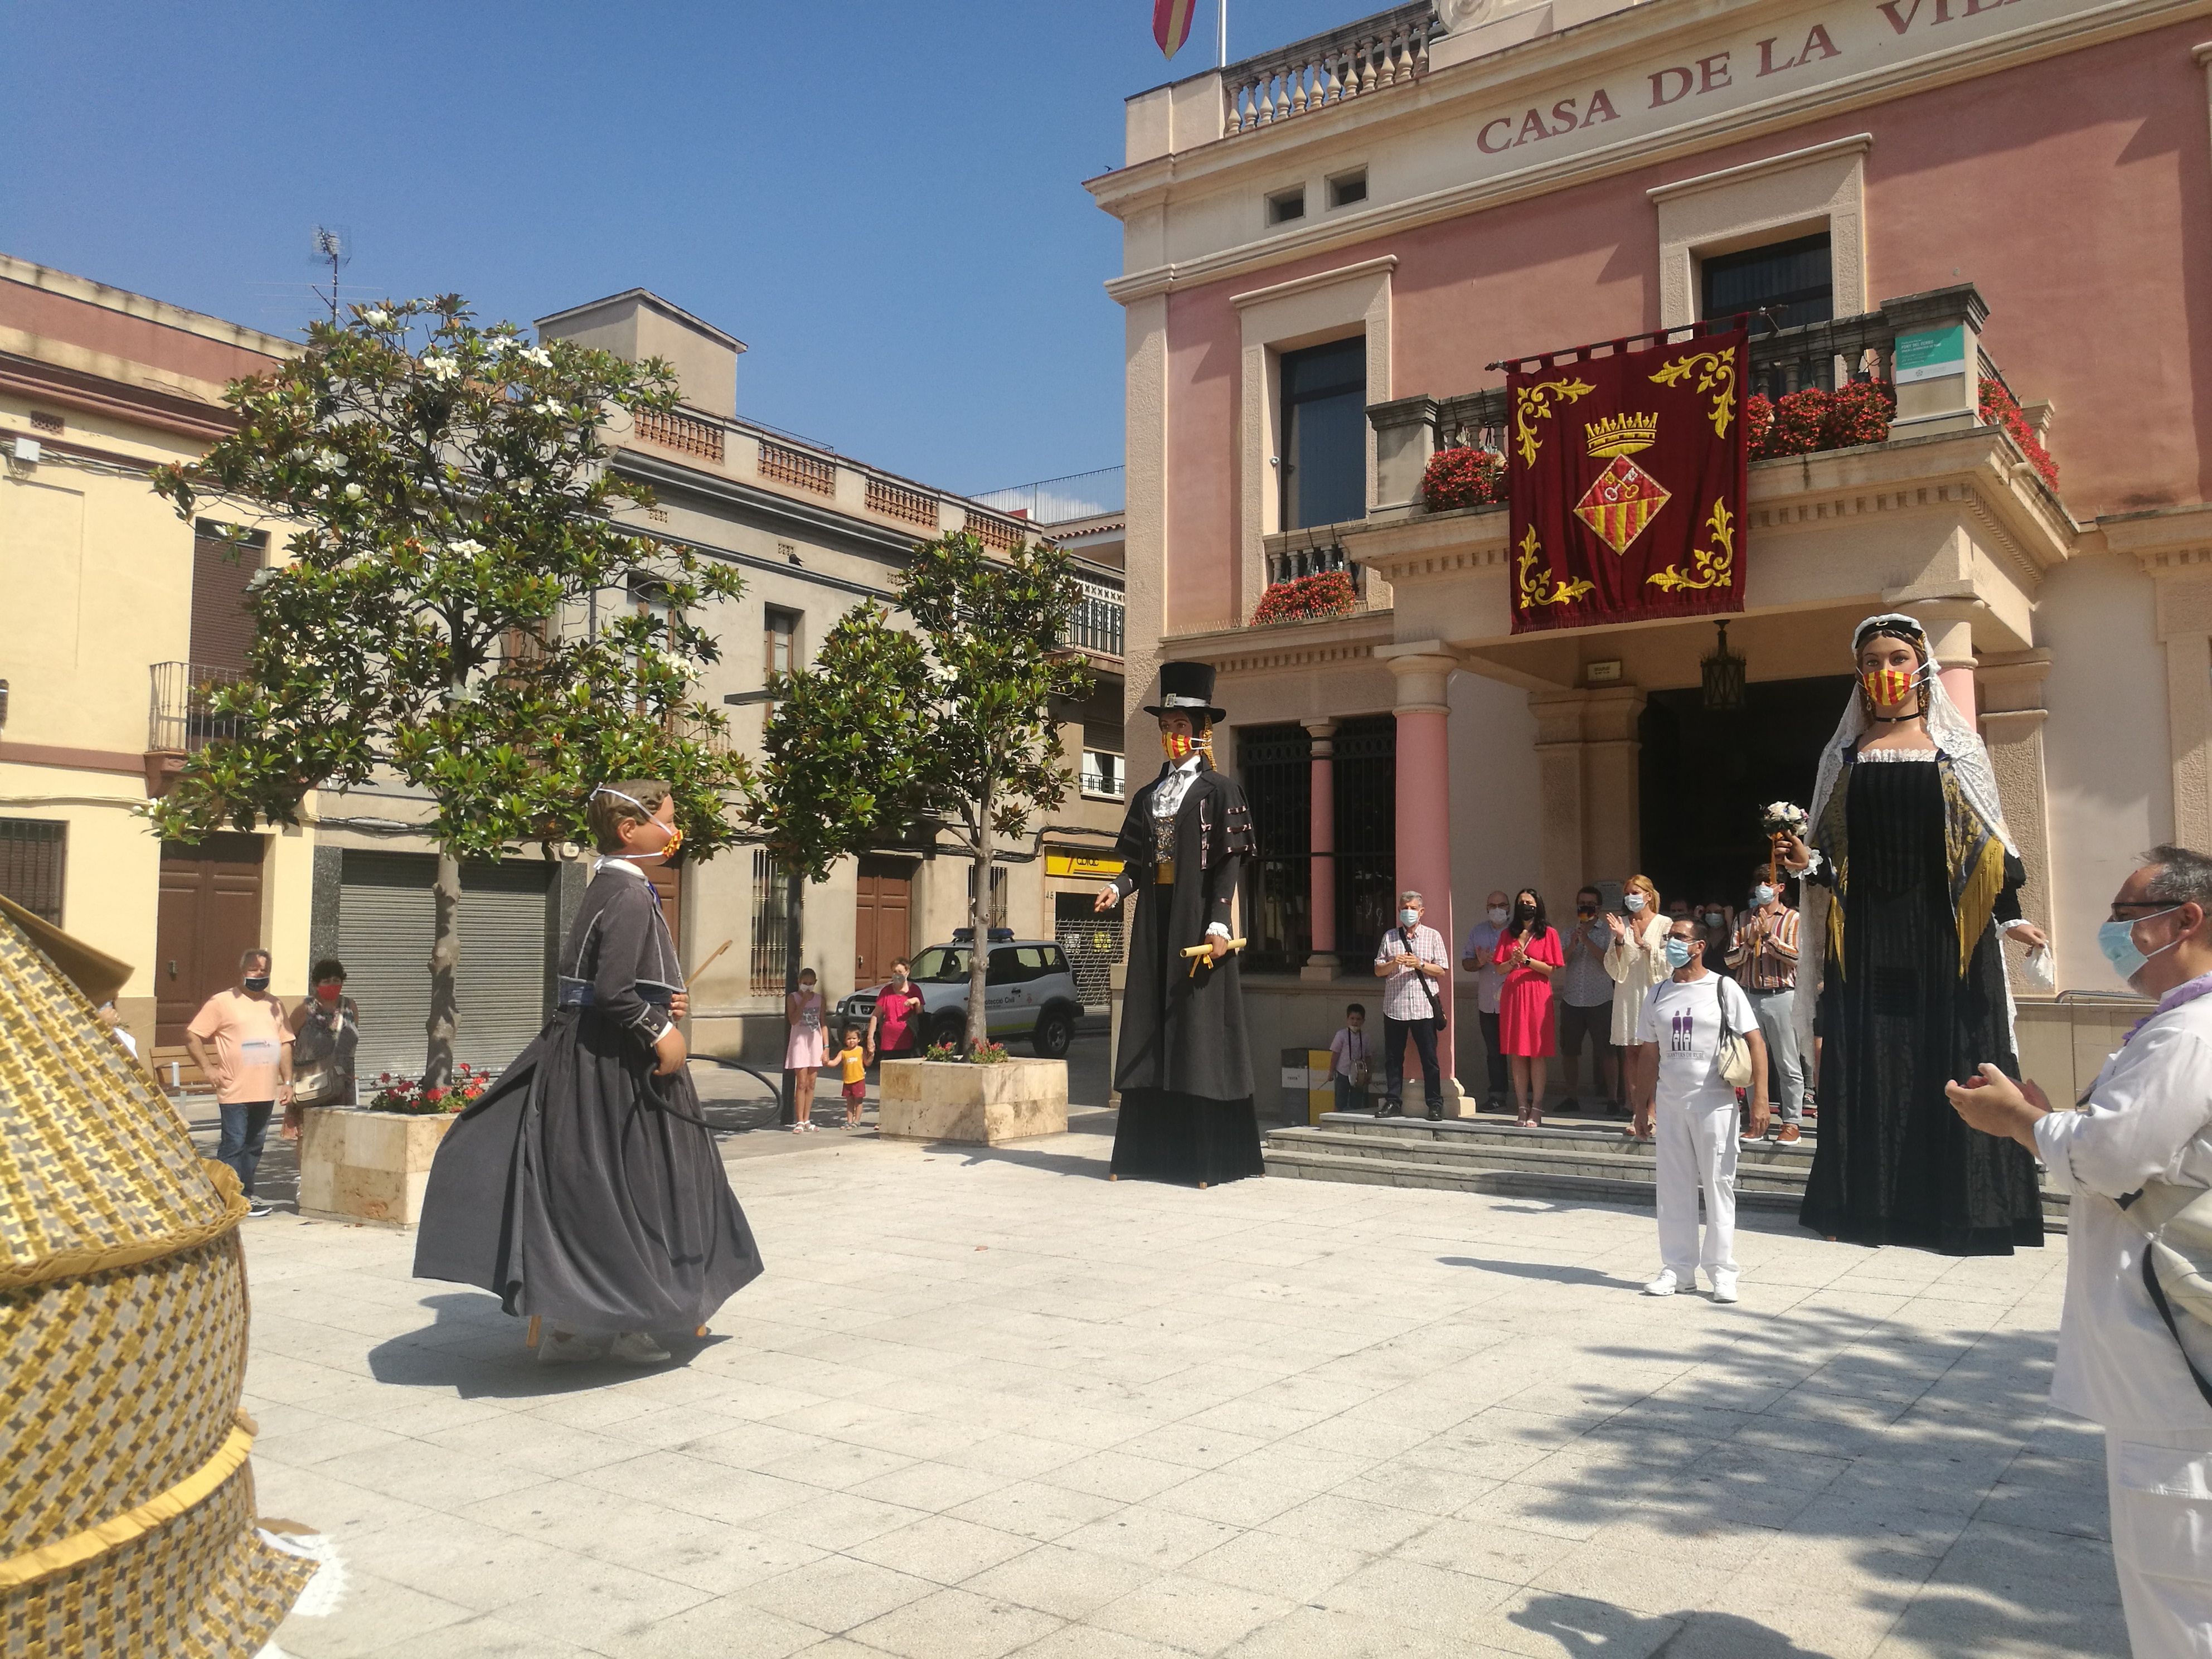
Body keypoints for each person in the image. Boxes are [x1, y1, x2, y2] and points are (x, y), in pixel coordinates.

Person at [1947, 846, 2212, 1656]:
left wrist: (2024, 1125)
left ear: (2188, 919)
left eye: (2127, 918)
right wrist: (2055, 1121)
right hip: (2174, 1357)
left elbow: (2111, 1158)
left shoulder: (2191, 1032)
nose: (2111, 934)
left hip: (2174, 1368)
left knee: (2180, 1598)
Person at [415, 780, 763, 1366]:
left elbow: (610, 978)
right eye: (667, 822)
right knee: (642, 1187)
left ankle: (576, 1322)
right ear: (630, 830)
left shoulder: (605, 884)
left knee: (592, 1186)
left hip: (586, 1052)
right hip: (616, 1064)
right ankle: (625, 1323)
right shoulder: (627, 894)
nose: (675, 834)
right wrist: (659, 1031)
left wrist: (661, 1000)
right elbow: (611, 990)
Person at [1780, 613, 2048, 1255]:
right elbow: (1831, 855)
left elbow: (1989, 844)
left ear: (1921, 667)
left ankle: (1968, 1212)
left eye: (1895, 657)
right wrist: (1805, 863)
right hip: (1867, 938)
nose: (1883, 671)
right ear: (1858, 674)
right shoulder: (1839, 759)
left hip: (1945, 938)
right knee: (1869, 1057)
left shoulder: (1958, 754)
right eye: (1870, 661)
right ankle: (1863, 1205)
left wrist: (2010, 917)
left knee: (1952, 1057)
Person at [1094, 661, 1264, 1186]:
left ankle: (1209, 1158)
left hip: (1196, 919)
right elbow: (1138, 864)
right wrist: (1118, 889)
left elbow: (1230, 863)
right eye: (1166, 727)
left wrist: (1218, 923)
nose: (1173, 735)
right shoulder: (1150, 795)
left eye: (1181, 727)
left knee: (1199, 1028)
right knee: (1150, 1020)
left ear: (1201, 732)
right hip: (1154, 923)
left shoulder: (1220, 790)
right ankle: (1146, 1154)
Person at [1633, 914, 1768, 1302]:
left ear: (1699, 946)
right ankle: (1677, 1269)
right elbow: (1648, 1053)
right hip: (1672, 1105)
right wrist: (1643, 1108)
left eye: (1679, 937)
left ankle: (1722, 1272)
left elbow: (1755, 1042)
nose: (1671, 943)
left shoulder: (1724, 988)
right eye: (1669, 937)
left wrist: (1761, 1098)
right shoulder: (1657, 994)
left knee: (1718, 1185)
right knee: (1673, 1189)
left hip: (1716, 1104)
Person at [184, 948, 294, 1220]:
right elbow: (193, 1036)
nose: (260, 975)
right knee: (233, 1144)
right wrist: (209, 1069)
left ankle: (246, 1193)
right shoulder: (222, 1002)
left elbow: (286, 1043)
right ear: (242, 971)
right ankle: (226, 1197)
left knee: (255, 1145)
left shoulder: (275, 1005)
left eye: (264, 971)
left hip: (265, 1090)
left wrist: (288, 1081)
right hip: (234, 1089)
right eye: (254, 970)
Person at [1728, 870, 1805, 1144]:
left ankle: (1792, 1121)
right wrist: (1750, 940)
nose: (1761, 889)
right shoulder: (1742, 918)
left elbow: (1796, 958)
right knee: (1751, 1062)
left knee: (1787, 1061)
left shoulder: (1794, 918)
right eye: (1757, 883)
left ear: (1780, 887)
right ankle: (1756, 1119)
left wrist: (1769, 937)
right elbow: (1731, 960)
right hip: (1749, 994)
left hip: (1781, 994)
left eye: (1767, 883)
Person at [1373, 891, 1451, 1120]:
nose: (1408, 912)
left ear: (1421, 912)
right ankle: (1393, 1101)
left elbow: (1442, 970)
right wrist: (1393, 962)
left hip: (1423, 1007)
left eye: (1412, 908)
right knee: (1394, 1058)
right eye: (1404, 908)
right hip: (1395, 1007)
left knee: (1430, 1058)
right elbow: (1378, 970)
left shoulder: (1433, 936)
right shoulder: (1390, 937)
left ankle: (1435, 1103)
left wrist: (1419, 963)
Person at [1606, 875, 1671, 1125]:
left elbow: (1671, 960)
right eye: (1628, 893)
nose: (1631, 897)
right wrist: (1621, 939)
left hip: (1654, 992)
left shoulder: (1665, 924)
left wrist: (1647, 947)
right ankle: (1637, 1111)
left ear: (1648, 895)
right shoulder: (1621, 923)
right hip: (1628, 994)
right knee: (1631, 1053)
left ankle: (1653, 1110)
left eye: (1636, 892)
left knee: (1652, 1053)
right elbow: (1614, 964)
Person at [1497, 888, 1563, 1127]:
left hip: (1537, 994)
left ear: (1538, 905)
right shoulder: (1508, 934)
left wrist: (1526, 961)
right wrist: (1512, 962)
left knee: (1536, 1052)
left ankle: (1537, 1108)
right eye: (1521, 902)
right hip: (1514, 993)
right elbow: (1499, 968)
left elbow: (1551, 969)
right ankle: (1521, 1107)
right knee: (1517, 1052)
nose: (1525, 905)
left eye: (1530, 902)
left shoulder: (1549, 933)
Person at [1555, 886, 1616, 1115]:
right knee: (1570, 1051)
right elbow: (1559, 962)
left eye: (1591, 903)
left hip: (1601, 999)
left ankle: (1612, 1099)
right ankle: (1572, 1097)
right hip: (1572, 999)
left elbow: (1608, 962)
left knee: (1607, 1052)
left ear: (1598, 908)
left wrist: (1587, 940)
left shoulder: (1608, 933)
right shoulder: (1568, 932)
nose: (1586, 907)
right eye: (1582, 902)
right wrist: (1574, 942)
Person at [288, 957, 360, 1130]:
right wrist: (288, 1079)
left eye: (337, 980)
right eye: (326, 981)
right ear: (316, 983)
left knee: (341, 1135)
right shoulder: (305, 1009)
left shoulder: (350, 1006)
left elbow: (352, 1036)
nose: (332, 985)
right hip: (310, 1082)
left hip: (342, 1083)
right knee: (308, 1134)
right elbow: (287, 1041)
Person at [1461, 890, 1513, 1111]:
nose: (1497, 909)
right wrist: (1480, 962)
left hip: (1514, 1002)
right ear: (1487, 908)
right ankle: (1497, 1094)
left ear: (1509, 908)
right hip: (1487, 1004)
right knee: (1494, 1052)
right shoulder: (1478, 931)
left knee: (1521, 1051)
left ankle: (1526, 1094)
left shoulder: (1516, 931)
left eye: (1502, 905)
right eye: (1493, 905)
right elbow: (1466, 962)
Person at [787, 967, 826, 1132]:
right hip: (799, 1043)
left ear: (815, 983)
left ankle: (808, 1118)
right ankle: (800, 1120)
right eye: (805, 983)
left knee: (811, 1083)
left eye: (811, 984)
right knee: (801, 1082)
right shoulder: (793, 998)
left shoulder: (820, 999)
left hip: (815, 1043)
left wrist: (827, 1047)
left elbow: (823, 1022)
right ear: (799, 982)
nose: (808, 987)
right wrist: (803, 1001)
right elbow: (794, 1020)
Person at [868, 958, 926, 1065]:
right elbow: (876, 1015)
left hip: (909, 1043)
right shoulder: (886, 991)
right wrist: (870, 1038)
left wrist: (916, 1001)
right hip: (889, 1043)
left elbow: (921, 1017)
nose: (897, 975)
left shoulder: (915, 991)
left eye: (900, 972)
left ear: (907, 973)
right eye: (895, 972)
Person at [1330, 1002, 1371, 1115]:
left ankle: (1354, 1119)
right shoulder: (1341, 1035)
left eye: (1358, 1019)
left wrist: (1369, 1074)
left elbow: (1368, 1056)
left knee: (1356, 1101)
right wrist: (1331, 1072)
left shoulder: (1365, 1037)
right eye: (1352, 1019)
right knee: (1340, 1100)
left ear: (1363, 1021)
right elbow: (1335, 1054)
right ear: (1347, 1019)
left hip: (1359, 1075)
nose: (1355, 1022)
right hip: (1343, 1072)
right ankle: (1337, 1119)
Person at [834, 1023, 868, 1129]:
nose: (851, 1041)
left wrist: (872, 1054)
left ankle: (857, 1121)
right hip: (848, 1081)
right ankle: (849, 1121)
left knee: (858, 1101)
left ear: (859, 1039)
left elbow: (867, 1062)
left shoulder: (861, 1050)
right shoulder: (843, 1052)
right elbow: (834, 1062)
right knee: (849, 1102)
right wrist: (826, 1062)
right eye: (849, 1039)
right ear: (845, 1040)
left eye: (854, 1038)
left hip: (859, 1080)